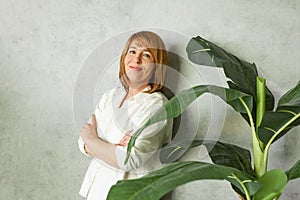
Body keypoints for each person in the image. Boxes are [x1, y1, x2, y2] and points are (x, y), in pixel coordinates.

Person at [78, 31, 173, 200]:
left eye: (146, 55)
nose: (136, 59)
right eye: (132, 51)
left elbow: (129, 159)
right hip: (97, 191)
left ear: (157, 66)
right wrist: (112, 148)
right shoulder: (110, 97)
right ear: (124, 58)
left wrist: (93, 140)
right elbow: (81, 142)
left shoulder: (157, 105)